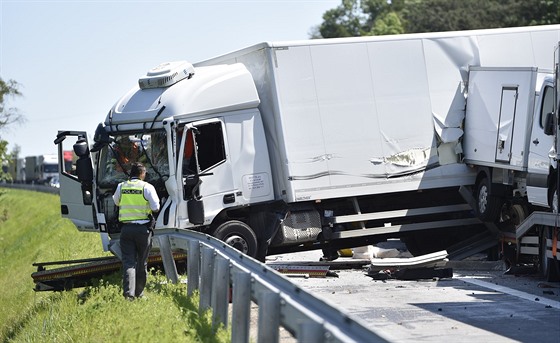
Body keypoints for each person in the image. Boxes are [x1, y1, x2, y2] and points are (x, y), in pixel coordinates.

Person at [113, 162, 160, 300]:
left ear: (131, 173)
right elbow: (156, 207)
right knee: (142, 262)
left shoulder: (121, 186)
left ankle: (128, 294)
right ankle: (139, 293)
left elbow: (116, 202)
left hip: (126, 230)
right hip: (143, 230)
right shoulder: (147, 187)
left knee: (128, 262)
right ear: (142, 174)